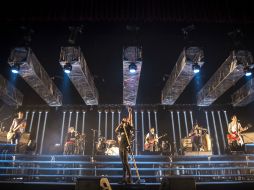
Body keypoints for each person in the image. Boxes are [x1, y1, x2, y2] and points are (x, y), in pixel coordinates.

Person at [115, 107, 134, 184]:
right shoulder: (122, 128)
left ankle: (130, 178)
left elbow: (131, 120)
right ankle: (124, 179)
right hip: (120, 147)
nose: (124, 120)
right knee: (123, 163)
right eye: (123, 119)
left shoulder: (129, 127)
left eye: (125, 119)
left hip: (126, 147)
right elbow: (116, 130)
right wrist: (120, 123)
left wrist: (130, 112)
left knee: (126, 162)